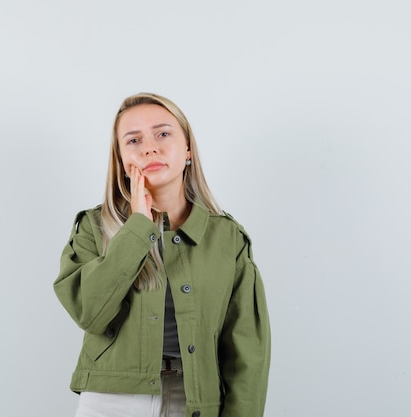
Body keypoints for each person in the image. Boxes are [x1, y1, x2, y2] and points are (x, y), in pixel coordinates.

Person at [53, 92, 270, 417]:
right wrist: (138, 226)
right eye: (133, 140)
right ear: (122, 160)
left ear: (187, 149)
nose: (149, 147)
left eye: (163, 133)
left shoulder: (228, 239)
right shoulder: (93, 228)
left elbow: (247, 352)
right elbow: (90, 313)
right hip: (111, 401)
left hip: (195, 402)